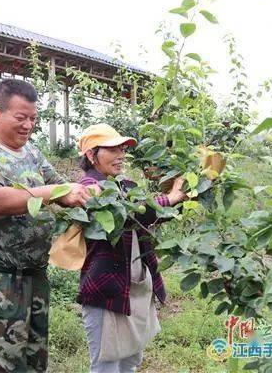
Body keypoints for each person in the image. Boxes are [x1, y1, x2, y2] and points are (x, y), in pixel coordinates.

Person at [0, 79, 91, 372]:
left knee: (34, 361)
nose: (28, 125)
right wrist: (53, 193)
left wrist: (90, 190)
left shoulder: (32, 153)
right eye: (21, 118)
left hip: (35, 277)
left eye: (33, 118)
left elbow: (60, 185)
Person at [76, 123, 187, 373]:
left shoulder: (124, 184)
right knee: (107, 363)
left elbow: (148, 214)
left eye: (122, 149)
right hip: (106, 290)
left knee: (130, 360)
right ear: (91, 155)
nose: (121, 155)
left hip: (134, 285)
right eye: (112, 149)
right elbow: (126, 212)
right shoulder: (87, 189)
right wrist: (170, 198)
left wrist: (182, 197)